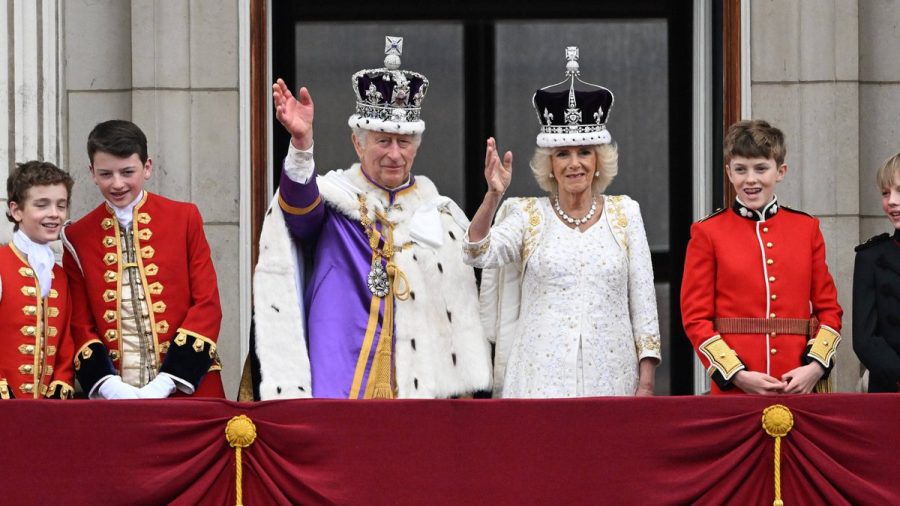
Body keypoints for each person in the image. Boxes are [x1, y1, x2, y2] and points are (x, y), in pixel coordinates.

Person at [247, 36, 491, 399]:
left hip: (421, 386)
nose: (394, 153)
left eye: (404, 142)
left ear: (416, 147)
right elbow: (298, 211)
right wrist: (301, 146)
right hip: (341, 369)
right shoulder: (334, 200)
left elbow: (460, 309)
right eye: (382, 141)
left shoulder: (439, 213)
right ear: (358, 143)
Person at [465, 47, 661, 398]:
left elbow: (644, 302)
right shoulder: (527, 214)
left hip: (611, 376)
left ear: (599, 160)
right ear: (550, 165)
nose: (575, 163)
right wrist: (492, 195)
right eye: (563, 154)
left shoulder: (625, 213)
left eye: (584, 152)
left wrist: (645, 382)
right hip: (539, 377)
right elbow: (479, 252)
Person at [62, 120, 224, 399]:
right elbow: (79, 322)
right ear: (91, 173)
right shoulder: (76, 237)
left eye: (127, 172)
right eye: (105, 174)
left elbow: (207, 304)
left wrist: (168, 380)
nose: (117, 183)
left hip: (189, 387)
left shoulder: (184, 218)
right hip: (115, 394)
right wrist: (107, 385)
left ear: (147, 167)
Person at [681, 120, 843, 395]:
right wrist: (737, 375)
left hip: (799, 385)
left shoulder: (807, 229)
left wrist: (814, 367)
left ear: (780, 171)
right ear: (728, 173)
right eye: (741, 170)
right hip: (736, 389)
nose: (750, 179)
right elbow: (696, 318)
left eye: (761, 168)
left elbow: (829, 310)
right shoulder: (707, 233)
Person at [1, 161, 76, 400]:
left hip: (44, 413)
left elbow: (65, 341)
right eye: (42, 205)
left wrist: (62, 382)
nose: (54, 213)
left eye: (61, 205)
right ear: (16, 211)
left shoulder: (61, 275)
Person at [853, 152, 900, 392]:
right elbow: (864, 338)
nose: (892, 201)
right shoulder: (870, 257)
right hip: (889, 389)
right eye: (885, 193)